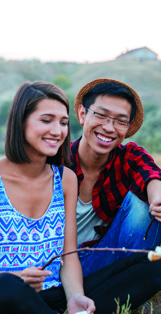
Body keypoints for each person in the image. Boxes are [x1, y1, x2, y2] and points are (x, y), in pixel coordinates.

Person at [70, 78, 161, 310]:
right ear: (82, 114)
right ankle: (102, 297)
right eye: (101, 115)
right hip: (59, 263)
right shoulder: (58, 162)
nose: (109, 128)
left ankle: (119, 289)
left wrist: (159, 200)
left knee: (142, 203)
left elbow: (152, 176)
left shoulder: (127, 156)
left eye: (120, 121)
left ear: (128, 128)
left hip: (106, 262)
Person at [0, 81, 95, 313]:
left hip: (53, 293)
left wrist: (76, 297)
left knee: (152, 268)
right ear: (20, 122)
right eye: (46, 120)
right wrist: (14, 277)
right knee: (7, 286)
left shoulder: (65, 178)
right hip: (6, 294)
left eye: (63, 122)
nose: (57, 131)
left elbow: (68, 253)